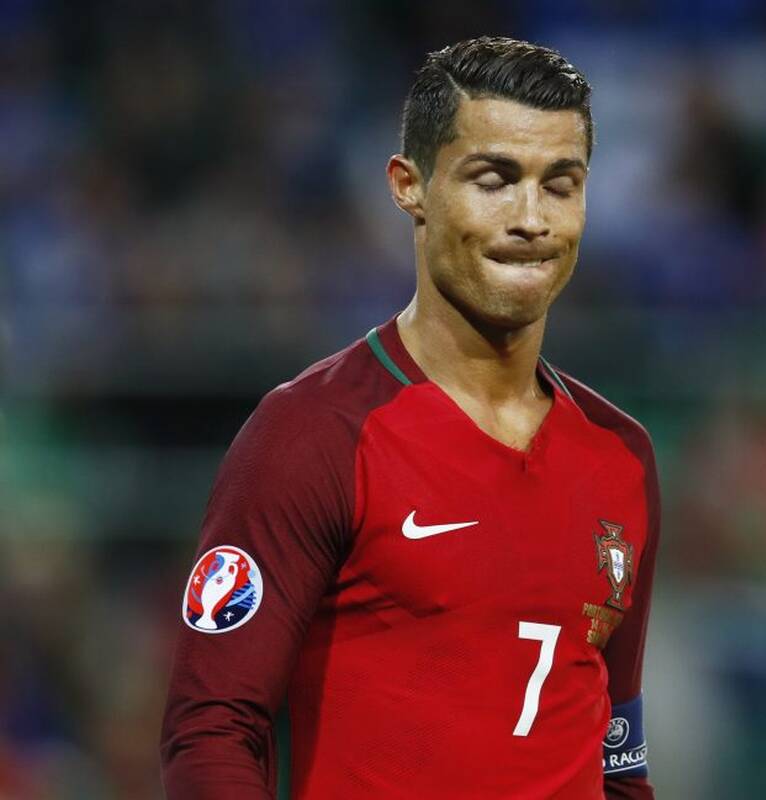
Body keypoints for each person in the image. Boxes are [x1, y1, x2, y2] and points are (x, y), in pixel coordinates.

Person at [160, 36, 659, 799]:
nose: (531, 218)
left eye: (560, 185)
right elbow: (211, 730)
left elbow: (618, 758)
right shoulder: (313, 434)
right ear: (409, 186)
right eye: (494, 179)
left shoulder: (620, 455)